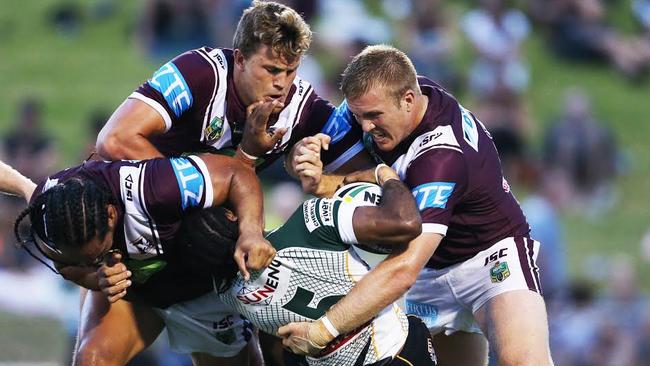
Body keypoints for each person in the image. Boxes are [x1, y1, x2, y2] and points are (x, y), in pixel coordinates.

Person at [283, 45, 553, 366]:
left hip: (488, 257)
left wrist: (322, 331)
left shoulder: (441, 156)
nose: (365, 127)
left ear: (408, 101)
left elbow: (404, 269)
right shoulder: (389, 94)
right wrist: (302, 156)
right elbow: (306, 165)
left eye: (373, 117)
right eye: (358, 116)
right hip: (428, 268)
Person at [1, 153, 275, 366]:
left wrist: (251, 232)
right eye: (86, 259)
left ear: (111, 214)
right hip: (137, 297)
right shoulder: (50, 220)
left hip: (201, 289)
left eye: (96, 254)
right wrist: (97, 278)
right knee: (92, 361)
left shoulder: (156, 188)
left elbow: (235, 173)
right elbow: (68, 268)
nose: (94, 260)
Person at [168, 165, 436, 365]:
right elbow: (405, 222)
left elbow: (273, 348)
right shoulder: (309, 221)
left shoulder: (229, 296)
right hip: (395, 349)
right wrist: (385, 175)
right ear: (231, 215)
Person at [96, 0, 366, 175]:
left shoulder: (303, 107)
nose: (282, 83)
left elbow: (363, 172)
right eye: (271, 70)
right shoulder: (196, 72)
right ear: (239, 58)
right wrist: (197, 190)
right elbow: (114, 140)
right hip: (129, 202)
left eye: (290, 71)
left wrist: (322, 180)